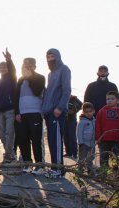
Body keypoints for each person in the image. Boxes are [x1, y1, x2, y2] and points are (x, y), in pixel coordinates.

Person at [42, 48, 71, 178]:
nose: (50, 58)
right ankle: (54, 167)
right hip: (49, 112)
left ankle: (59, 169)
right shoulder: (50, 74)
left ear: (58, 56)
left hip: (57, 111)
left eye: (52, 56)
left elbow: (66, 90)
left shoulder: (64, 69)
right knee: (51, 140)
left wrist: (59, 107)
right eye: (48, 56)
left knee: (57, 140)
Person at [13, 58, 46, 175]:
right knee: (23, 139)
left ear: (34, 67)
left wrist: (30, 76)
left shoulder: (40, 78)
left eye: (30, 66)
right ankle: (27, 164)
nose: (27, 68)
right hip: (22, 114)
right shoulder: (20, 80)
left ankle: (39, 165)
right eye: (25, 66)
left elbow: (37, 91)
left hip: (35, 113)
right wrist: (17, 112)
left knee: (36, 140)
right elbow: (16, 97)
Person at [0, 48, 17, 163]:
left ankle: (9, 155)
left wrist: (9, 60)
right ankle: (10, 153)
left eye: (4, 67)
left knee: (9, 133)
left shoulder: (12, 78)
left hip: (10, 110)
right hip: (0, 112)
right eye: (0, 67)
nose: (2, 69)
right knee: (2, 134)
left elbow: (12, 70)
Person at [95, 91, 119, 172]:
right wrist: (98, 138)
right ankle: (103, 174)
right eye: (108, 99)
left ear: (118, 101)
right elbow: (98, 126)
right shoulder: (101, 112)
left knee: (116, 159)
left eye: (112, 99)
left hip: (116, 141)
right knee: (103, 159)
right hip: (104, 141)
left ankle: (116, 175)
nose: (109, 100)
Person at [76, 102, 96, 174]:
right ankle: (80, 170)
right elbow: (79, 132)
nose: (88, 113)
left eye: (90, 111)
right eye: (86, 112)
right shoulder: (82, 122)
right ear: (83, 112)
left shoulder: (94, 120)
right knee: (82, 157)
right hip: (84, 143)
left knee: (91, 157)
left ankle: (89, 170)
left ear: (93, 111)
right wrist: (80, 142)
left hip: (92, 143)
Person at [63, 95, 83, 159]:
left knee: (72, 137)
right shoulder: (62, 97)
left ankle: (74, 153)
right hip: (63, 120)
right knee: (65, 137)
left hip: (72, 120)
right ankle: (68, 153)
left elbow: (81, 105)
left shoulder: (74, 98)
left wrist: (74, 111)